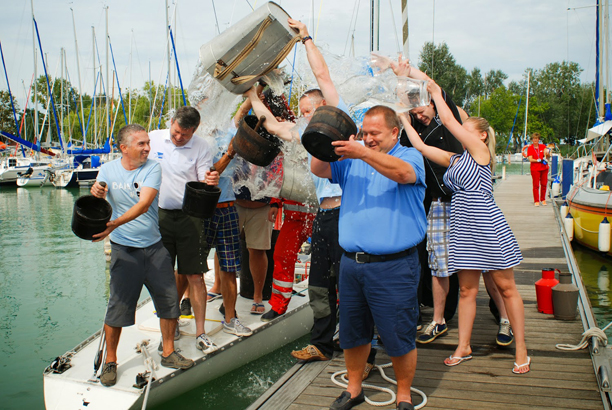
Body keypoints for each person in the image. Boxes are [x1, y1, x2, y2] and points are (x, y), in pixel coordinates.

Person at [400, 78, 530, 374]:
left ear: (481, 136)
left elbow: (447, 119)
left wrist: (432, 89)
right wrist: (401, 118)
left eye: (465, 129)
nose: (458, 133)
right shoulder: (455, 159)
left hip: (486, 226)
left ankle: (521, 347)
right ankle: (464, 346)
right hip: (463, 229)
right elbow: (419, 145)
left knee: (507, 288)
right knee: (467, 291)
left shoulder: (481, 155)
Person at [312, 105, 426, 410]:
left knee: (399, 334)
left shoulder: (409, 156)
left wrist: (361, 152)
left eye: (374, 133)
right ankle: (353, 389)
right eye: (364, 133)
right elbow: (319, 169)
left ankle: (403, 394)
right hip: (352, 264)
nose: (368, 138)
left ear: (394, 132)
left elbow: (403, 175)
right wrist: (321, 138)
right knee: (352, 332)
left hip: (394, 266)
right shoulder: (352, 158)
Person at [91, 124, 194, 387]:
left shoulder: (152, 168)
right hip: (124, 250)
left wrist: (113, 224)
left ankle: (169, 352)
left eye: (148, 143)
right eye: (141, 144)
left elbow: (145, 203)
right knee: (117, 307)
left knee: (169, 300)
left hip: (154, 247)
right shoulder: (108, 169)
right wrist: (97, 192)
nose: (148, 148)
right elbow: (100, 191)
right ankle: (110, 361)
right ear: (124, 148)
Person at [391, 58, 465, 344]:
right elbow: (402, 112)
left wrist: (410, 72)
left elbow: (433, 86)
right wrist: (399, 81)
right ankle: (435, 315)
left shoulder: (449, 120)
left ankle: (457, 313)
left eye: (422, 109)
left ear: (432, 105)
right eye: (415, 112)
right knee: (435, 261)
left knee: (464, 263)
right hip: (432, 202)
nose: (420, 115)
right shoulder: (414, 132)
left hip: (460, 199)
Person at [148, 106, 220, 354]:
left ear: (194, 131)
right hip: (159, 216)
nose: (179, 138)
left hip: (191, 217)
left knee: (195, 276)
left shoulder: (201, 147)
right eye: (177, 132)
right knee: (164, 276)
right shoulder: (154, 137)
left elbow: (203, 178)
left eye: (185, 135)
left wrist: (210, 180)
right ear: (171, 122)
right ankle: (169, 328)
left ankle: (201, 333)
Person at [200, 115, 253, 337]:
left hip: (228, 208)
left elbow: (241, 113)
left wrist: (255, 93)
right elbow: (212, 172)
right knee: (188, 268)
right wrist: (230, 154)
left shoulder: (229, 133)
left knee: (230, 268)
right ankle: (178, 311)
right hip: (201, 208)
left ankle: (231, 318)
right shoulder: (196, 141)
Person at [525, 132, 550, 206]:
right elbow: (530, 159)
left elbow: (547, 156)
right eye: (534, 139)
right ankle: (536, 200)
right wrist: (538, 160)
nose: (535, 140)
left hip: (544, 168)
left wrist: (548, 154)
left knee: (544, 184)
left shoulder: (542, 146)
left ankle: (543, 199)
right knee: (536, 185)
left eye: (537, 138)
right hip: (535, 168)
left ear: (538, 139)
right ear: (532, 140)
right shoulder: (530, 148)